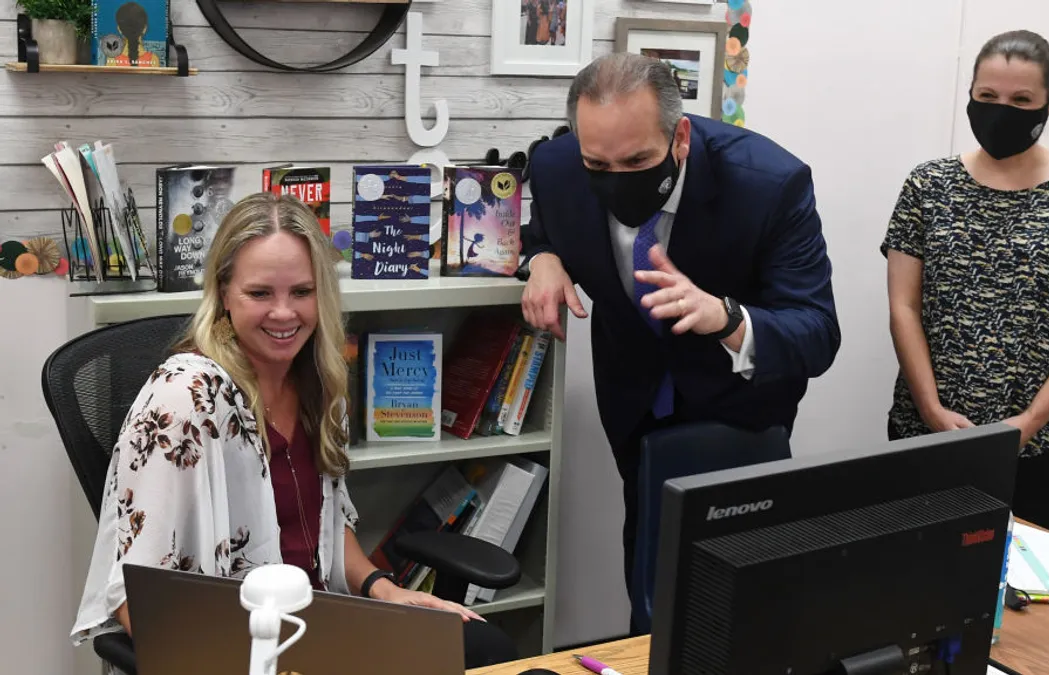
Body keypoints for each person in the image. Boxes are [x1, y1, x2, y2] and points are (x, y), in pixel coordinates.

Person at [69, 193, 516, 668]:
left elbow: (325, 526)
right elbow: (136, 595)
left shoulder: (319, 381)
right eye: (260, 293)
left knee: (484, 648)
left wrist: (385, 590)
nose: (284, 314)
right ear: (223, 293)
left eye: (301, 292)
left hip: (318, 622)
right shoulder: (186, 400)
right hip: (241, 644)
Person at [520, 53, 840, 616]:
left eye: (638, 160)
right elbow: (547, 221)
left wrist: (727, 317)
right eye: (600, 164)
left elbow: (817, 333)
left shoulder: (769, 184)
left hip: (740, 412)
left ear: (681, 137)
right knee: (649, 581)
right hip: (633, 405)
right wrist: (541, 255)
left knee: (737, 602)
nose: (616, 180)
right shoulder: (557, 167)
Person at [881, 30, 1049, 534]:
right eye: (988, 97)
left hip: (1039, 442)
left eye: (1022, 100)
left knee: (1029, 596)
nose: (1002, 110)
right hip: (924, 431)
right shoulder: (927, 184)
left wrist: (1030, 422)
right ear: (971, 95)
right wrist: (932, 410)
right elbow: (903, 307)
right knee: (912, 583)